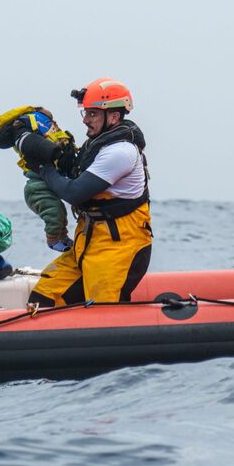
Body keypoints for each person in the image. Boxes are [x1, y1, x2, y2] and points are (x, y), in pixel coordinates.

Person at [24, 78, 152, 306]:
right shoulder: (96, 147)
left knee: (102, 312)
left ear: (113, 116)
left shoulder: (120, 152)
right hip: (90, 242)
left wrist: (43, 169)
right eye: (85, 113)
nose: (85, 120)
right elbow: (71, 170)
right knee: (42, 298)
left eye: (92, 114)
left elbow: (74, 193)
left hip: (119, 248)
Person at [0, 106, 77, 251]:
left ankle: (63, 236)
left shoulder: (44, 127)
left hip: (51, 180)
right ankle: (53, 240)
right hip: (37, 186)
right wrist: (53, 152)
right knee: (53, 212)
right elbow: (30, 143)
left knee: (61, 212)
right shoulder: (22, 128)